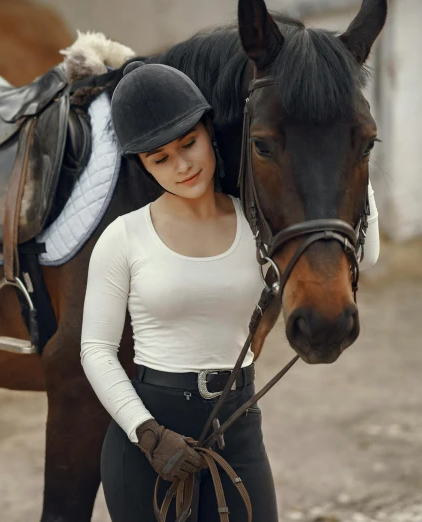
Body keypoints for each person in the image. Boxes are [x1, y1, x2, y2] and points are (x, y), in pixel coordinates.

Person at [80, 62, 380, 521]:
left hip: (237, 426)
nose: (182, 166)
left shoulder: (257, 227)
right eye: (160, 159)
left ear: (209, 130)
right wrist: (146, 433)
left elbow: (369, 254)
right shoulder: (123, 238)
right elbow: (96, 350)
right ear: (143, 164)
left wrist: (348, 152)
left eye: (189, 144)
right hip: (148, 438)